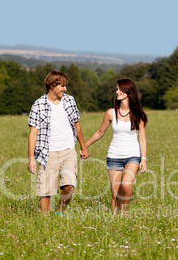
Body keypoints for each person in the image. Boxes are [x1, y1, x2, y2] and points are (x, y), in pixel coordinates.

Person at [28, 70, 90, 214]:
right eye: (61, 85)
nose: (65, 89)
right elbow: (33, 133)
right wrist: (31, 157)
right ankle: (45, 223)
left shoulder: (69, 100)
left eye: (65, 85)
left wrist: (84, 147)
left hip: (68, 150)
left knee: (69, 185)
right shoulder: (38, 105)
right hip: (47, 153)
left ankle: (59, 211)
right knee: (45, 191)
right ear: (51, 86)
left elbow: (77, 124)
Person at [85, 78, 147, 214]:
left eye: (119, 89)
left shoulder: (138, 115)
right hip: (114, 155)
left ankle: (123, 214)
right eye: (116, 89)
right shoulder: (111, 113)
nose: (116, 91)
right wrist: (84, 147)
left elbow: (142, 139)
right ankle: (115, 218)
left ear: (128, 92)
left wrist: (143, 159)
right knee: (115, 193)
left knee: (126, 185)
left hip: (133, 155)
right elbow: (100, 132)